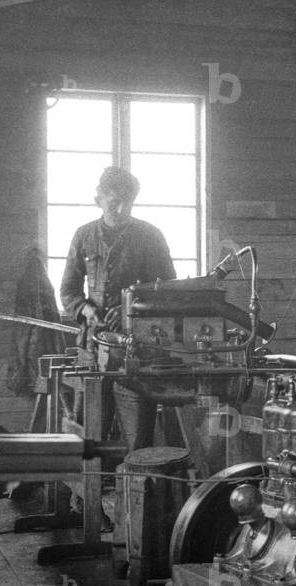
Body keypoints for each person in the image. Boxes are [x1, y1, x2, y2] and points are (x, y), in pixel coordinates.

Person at [60, 166, 176, 448]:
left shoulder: (151, 236)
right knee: (88, 439)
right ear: (98, 198)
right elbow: (68, 290)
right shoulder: (83, 236)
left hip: (136, 355)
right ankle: (87, 493)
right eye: (114, 203)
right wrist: (86, 309)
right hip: (92, 352)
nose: (121, 210)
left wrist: (130, 311)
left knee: (138, 442)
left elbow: (170, 291)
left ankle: (137, 490)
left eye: (128, 203)